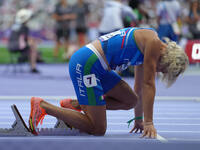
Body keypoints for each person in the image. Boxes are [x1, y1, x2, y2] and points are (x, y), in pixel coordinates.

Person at [28, 27, 189, 138]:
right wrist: (149, 123)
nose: (158, 71)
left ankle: (76, 104)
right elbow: (148, 85)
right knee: (98, 128)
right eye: (163, 69)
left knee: (131, 100)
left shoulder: (148, 45)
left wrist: (139, 119)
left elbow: (139, 87)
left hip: (100, 67)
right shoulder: (153, 44)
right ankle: (43, 106)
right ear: (167, 59)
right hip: (87, 64)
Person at [8, 9, 40, 73]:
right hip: (18, 46)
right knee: (33, 47)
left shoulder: (15, 25)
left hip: (10, 46)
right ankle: (33, 67)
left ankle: (25, 58)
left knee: (31, 47)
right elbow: (25, 39)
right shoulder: (24, 27)